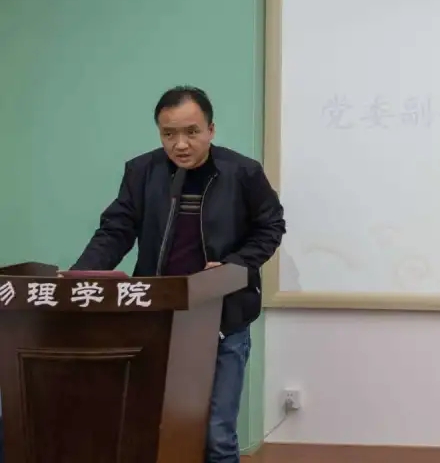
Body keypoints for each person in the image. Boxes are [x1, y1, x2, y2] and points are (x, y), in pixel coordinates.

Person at [70, 86, 286, 463]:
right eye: (168, 134)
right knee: (155, 428)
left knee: (217, 435)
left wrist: (237, 263)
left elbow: (271, 226)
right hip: (157, 318)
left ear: (211, 130)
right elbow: (116, 229)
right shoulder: (142, 171)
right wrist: (79, 277)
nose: (180, 144)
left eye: (191, 132)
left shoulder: (243, 172)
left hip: (223, 316)